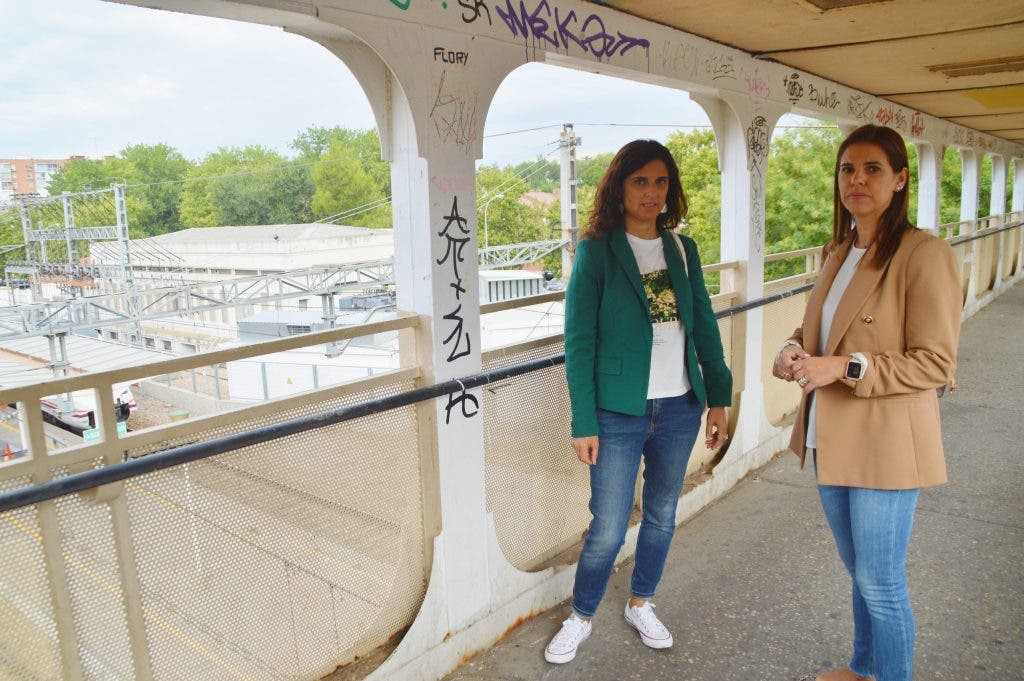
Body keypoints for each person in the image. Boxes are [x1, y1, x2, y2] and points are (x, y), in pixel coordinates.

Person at [774, 124, 962, 681]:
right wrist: (792, 349)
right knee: (859, 572)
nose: (857, 180)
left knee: (881, 583)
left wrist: (843, 367)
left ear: (900, 179)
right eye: (847, 169)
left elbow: (936, 363)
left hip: (886, 441)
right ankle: (863, 669)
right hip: (830, 435)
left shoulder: (923, 253)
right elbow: (820, 331)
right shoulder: (839, 251)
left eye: (872, 169)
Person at [545, 139, 732, 664]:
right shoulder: (596, 250)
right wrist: (583, 420)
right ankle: (581, 615)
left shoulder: (682, 249)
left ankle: (641, 602)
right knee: (607, 526)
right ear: (619, 187)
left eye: (661, 181)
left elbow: (703, 326)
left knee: (662, 513)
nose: (652, 192)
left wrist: (718, 397)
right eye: (640, 181)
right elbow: (579, 341)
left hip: (679, 407)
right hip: (617, 413)